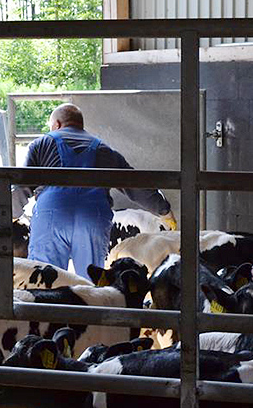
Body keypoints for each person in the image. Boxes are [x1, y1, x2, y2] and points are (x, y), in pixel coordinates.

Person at [13, 103, 176, 280]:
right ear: (80, 125)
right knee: (91, 282)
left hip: (52, 217)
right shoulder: (104, 150)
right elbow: (134, 184)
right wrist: (163, 210)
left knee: (45, 279)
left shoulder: (41, 143)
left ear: (57, 124)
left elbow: (22, 183)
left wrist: (8, 212)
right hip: (92, 219)